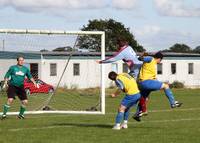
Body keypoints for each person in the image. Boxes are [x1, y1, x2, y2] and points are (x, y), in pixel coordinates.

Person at [133, 52, 182, 121]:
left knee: (145, 98)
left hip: (142, 83)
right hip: (146, 82)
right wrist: (141, 57)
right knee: (166, 86)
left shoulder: (152, 65)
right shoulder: (151, 59)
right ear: (159, 59)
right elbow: (142, 58)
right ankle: (173, 103)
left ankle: (138, 113)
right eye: (161, 60)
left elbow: (153, 78)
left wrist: (158, 83)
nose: (160, 61)